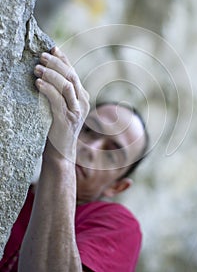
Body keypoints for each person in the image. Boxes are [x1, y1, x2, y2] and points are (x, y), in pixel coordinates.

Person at [0, 47, 149, 272]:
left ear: (117, 187)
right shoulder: (11, 190)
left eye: (112, 152)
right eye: (87, 130)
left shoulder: (118, 226)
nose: (91, 148)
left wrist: (61, 155)